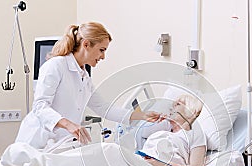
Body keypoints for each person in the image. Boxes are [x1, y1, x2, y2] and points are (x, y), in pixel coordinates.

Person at [15, 22, 160, 149]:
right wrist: (68, 124)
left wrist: (141, 115)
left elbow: (103, 108)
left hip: (59, 143)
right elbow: (40, 106)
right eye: (101, 50)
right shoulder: (56, 65)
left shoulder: (84, 76)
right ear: (86, 44)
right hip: (36, 141)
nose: (103, 56)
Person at [139, 94, 207, 166]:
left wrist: (163, 165)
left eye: (178, 104)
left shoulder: (194, 132)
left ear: (190, 110)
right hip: (142, 163)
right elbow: (143, 132)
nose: (171, 108)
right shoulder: (165, 130)